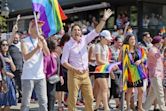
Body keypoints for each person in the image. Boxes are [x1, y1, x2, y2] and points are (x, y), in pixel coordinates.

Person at [61, 9, 113, 111]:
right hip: (74, 74)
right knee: (73, 98)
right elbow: (63, 62)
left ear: (81, 32)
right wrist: (75, 69)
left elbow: (97, 31)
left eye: (78, 30)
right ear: (71, 33)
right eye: (74, 30)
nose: (77, 32)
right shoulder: (68, 45)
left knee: (89, 98)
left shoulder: (85, 39)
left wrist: (104, 19)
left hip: (85, 74)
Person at [20, 19, 50, 111]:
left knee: (43, 101)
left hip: (40, 76)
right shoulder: (24, 41)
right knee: (26, 103)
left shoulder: (42, 40)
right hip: (28, 76)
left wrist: (43, 44)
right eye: (38, 27)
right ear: (31, 28)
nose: (40, 29)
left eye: (41, 28)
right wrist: (37, 48)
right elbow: (25, 57)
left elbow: (48, 54)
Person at [119, 34, 147, 111]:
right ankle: (128, 107)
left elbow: (145, 57)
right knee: (129, 91)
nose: (133, 41)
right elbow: (119, 60)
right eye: (131, 39)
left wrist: (140, 60)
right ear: (127, 41)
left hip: (138, 72)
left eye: (134, 39)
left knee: (141, 90)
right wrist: (122, 51)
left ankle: (140, 107)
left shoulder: (139, 49)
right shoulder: (125, 49)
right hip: (129, 73)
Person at [143, 36, 166, 111]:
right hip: (155, 74)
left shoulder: (157, 49)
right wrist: (162, 49)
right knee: (160, 92)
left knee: (152, 94)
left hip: (158, 74)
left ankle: (145, 108)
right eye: (161, 42)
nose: (162, 43)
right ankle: (163, 108)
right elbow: (157, 56)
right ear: (158, 42)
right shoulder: (153, 49)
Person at [94, 30, 112, 110]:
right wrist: (109, 65)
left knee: (102, 90)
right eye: (106, 39)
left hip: (106, 70)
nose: (108, 40)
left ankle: (96, 107)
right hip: (99, 70)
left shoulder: (107, 47)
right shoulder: (97, 46)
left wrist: (110, 66)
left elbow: (106, 60)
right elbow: (98, 60)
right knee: (105, 89)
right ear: (102, 38)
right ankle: (106, 107)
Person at [0, 40, 17, 111]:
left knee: (8, 103)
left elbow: (14, 69)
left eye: (7, 45)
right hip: (1, 80)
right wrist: (7, 73)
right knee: (1, 101)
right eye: (3, 45)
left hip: (9, 81)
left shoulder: (9, 56)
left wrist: (10, 62)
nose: (5, 46)